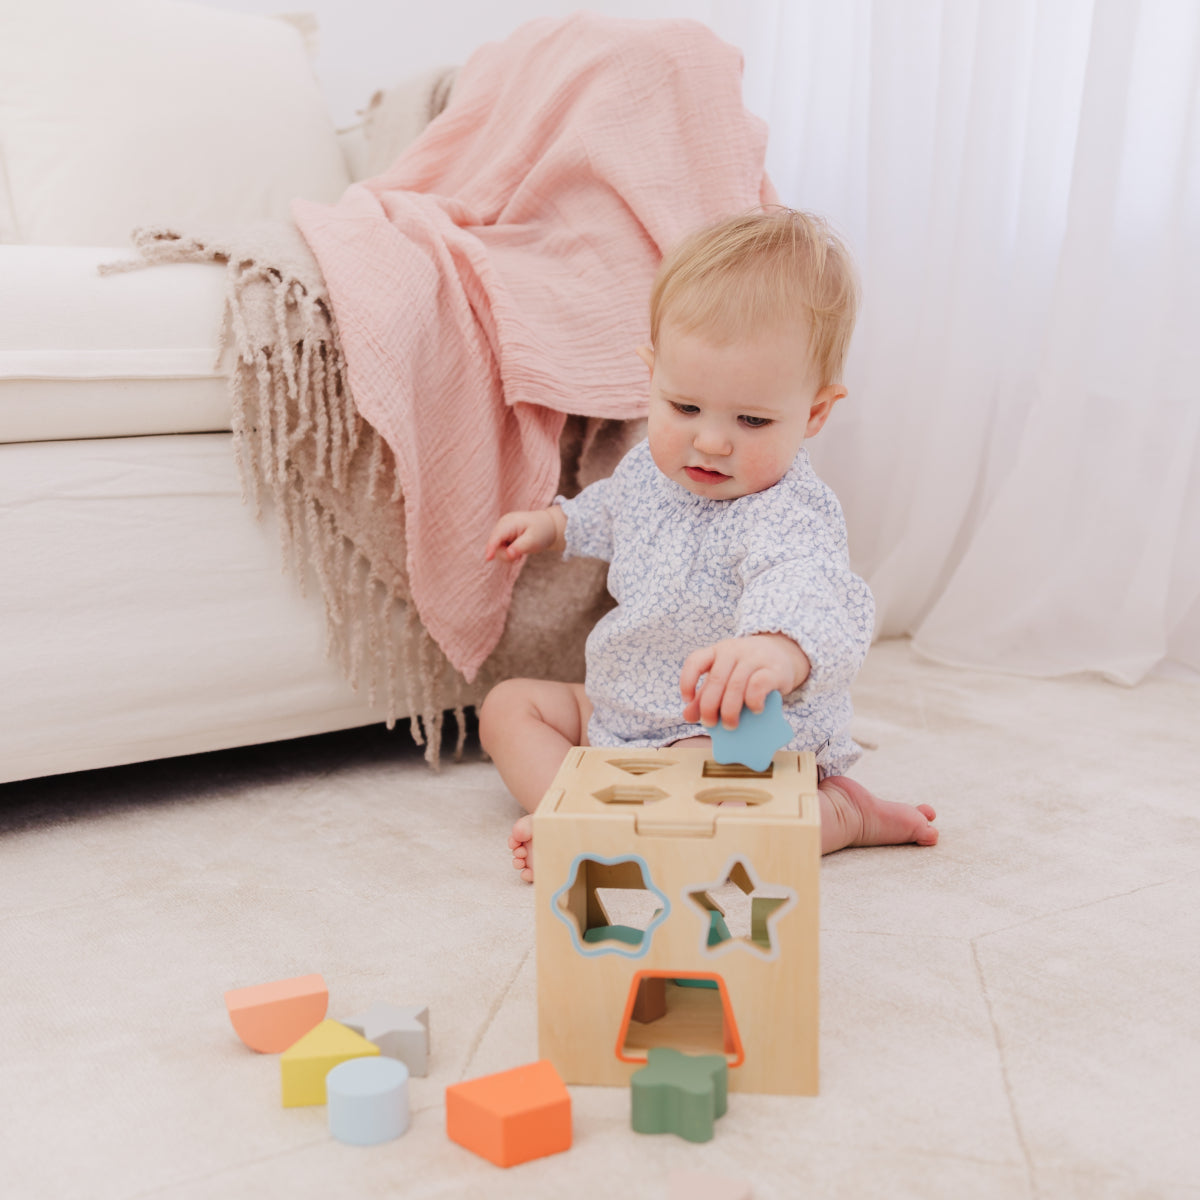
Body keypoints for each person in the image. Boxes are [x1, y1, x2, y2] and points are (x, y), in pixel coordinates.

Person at [480, 208, 937, 882]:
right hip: (622, 706)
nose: (711, 441)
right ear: (653, 375)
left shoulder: (788, 514)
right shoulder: (648, 468)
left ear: (813, 413)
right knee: (507, 707)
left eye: (751, 419)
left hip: (720, 733)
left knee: (722, 816)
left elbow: (812, 592)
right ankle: (585, 819)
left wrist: (776, 650)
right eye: (685, 408)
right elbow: (615, 507)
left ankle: (841, 811)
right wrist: (557, 525)